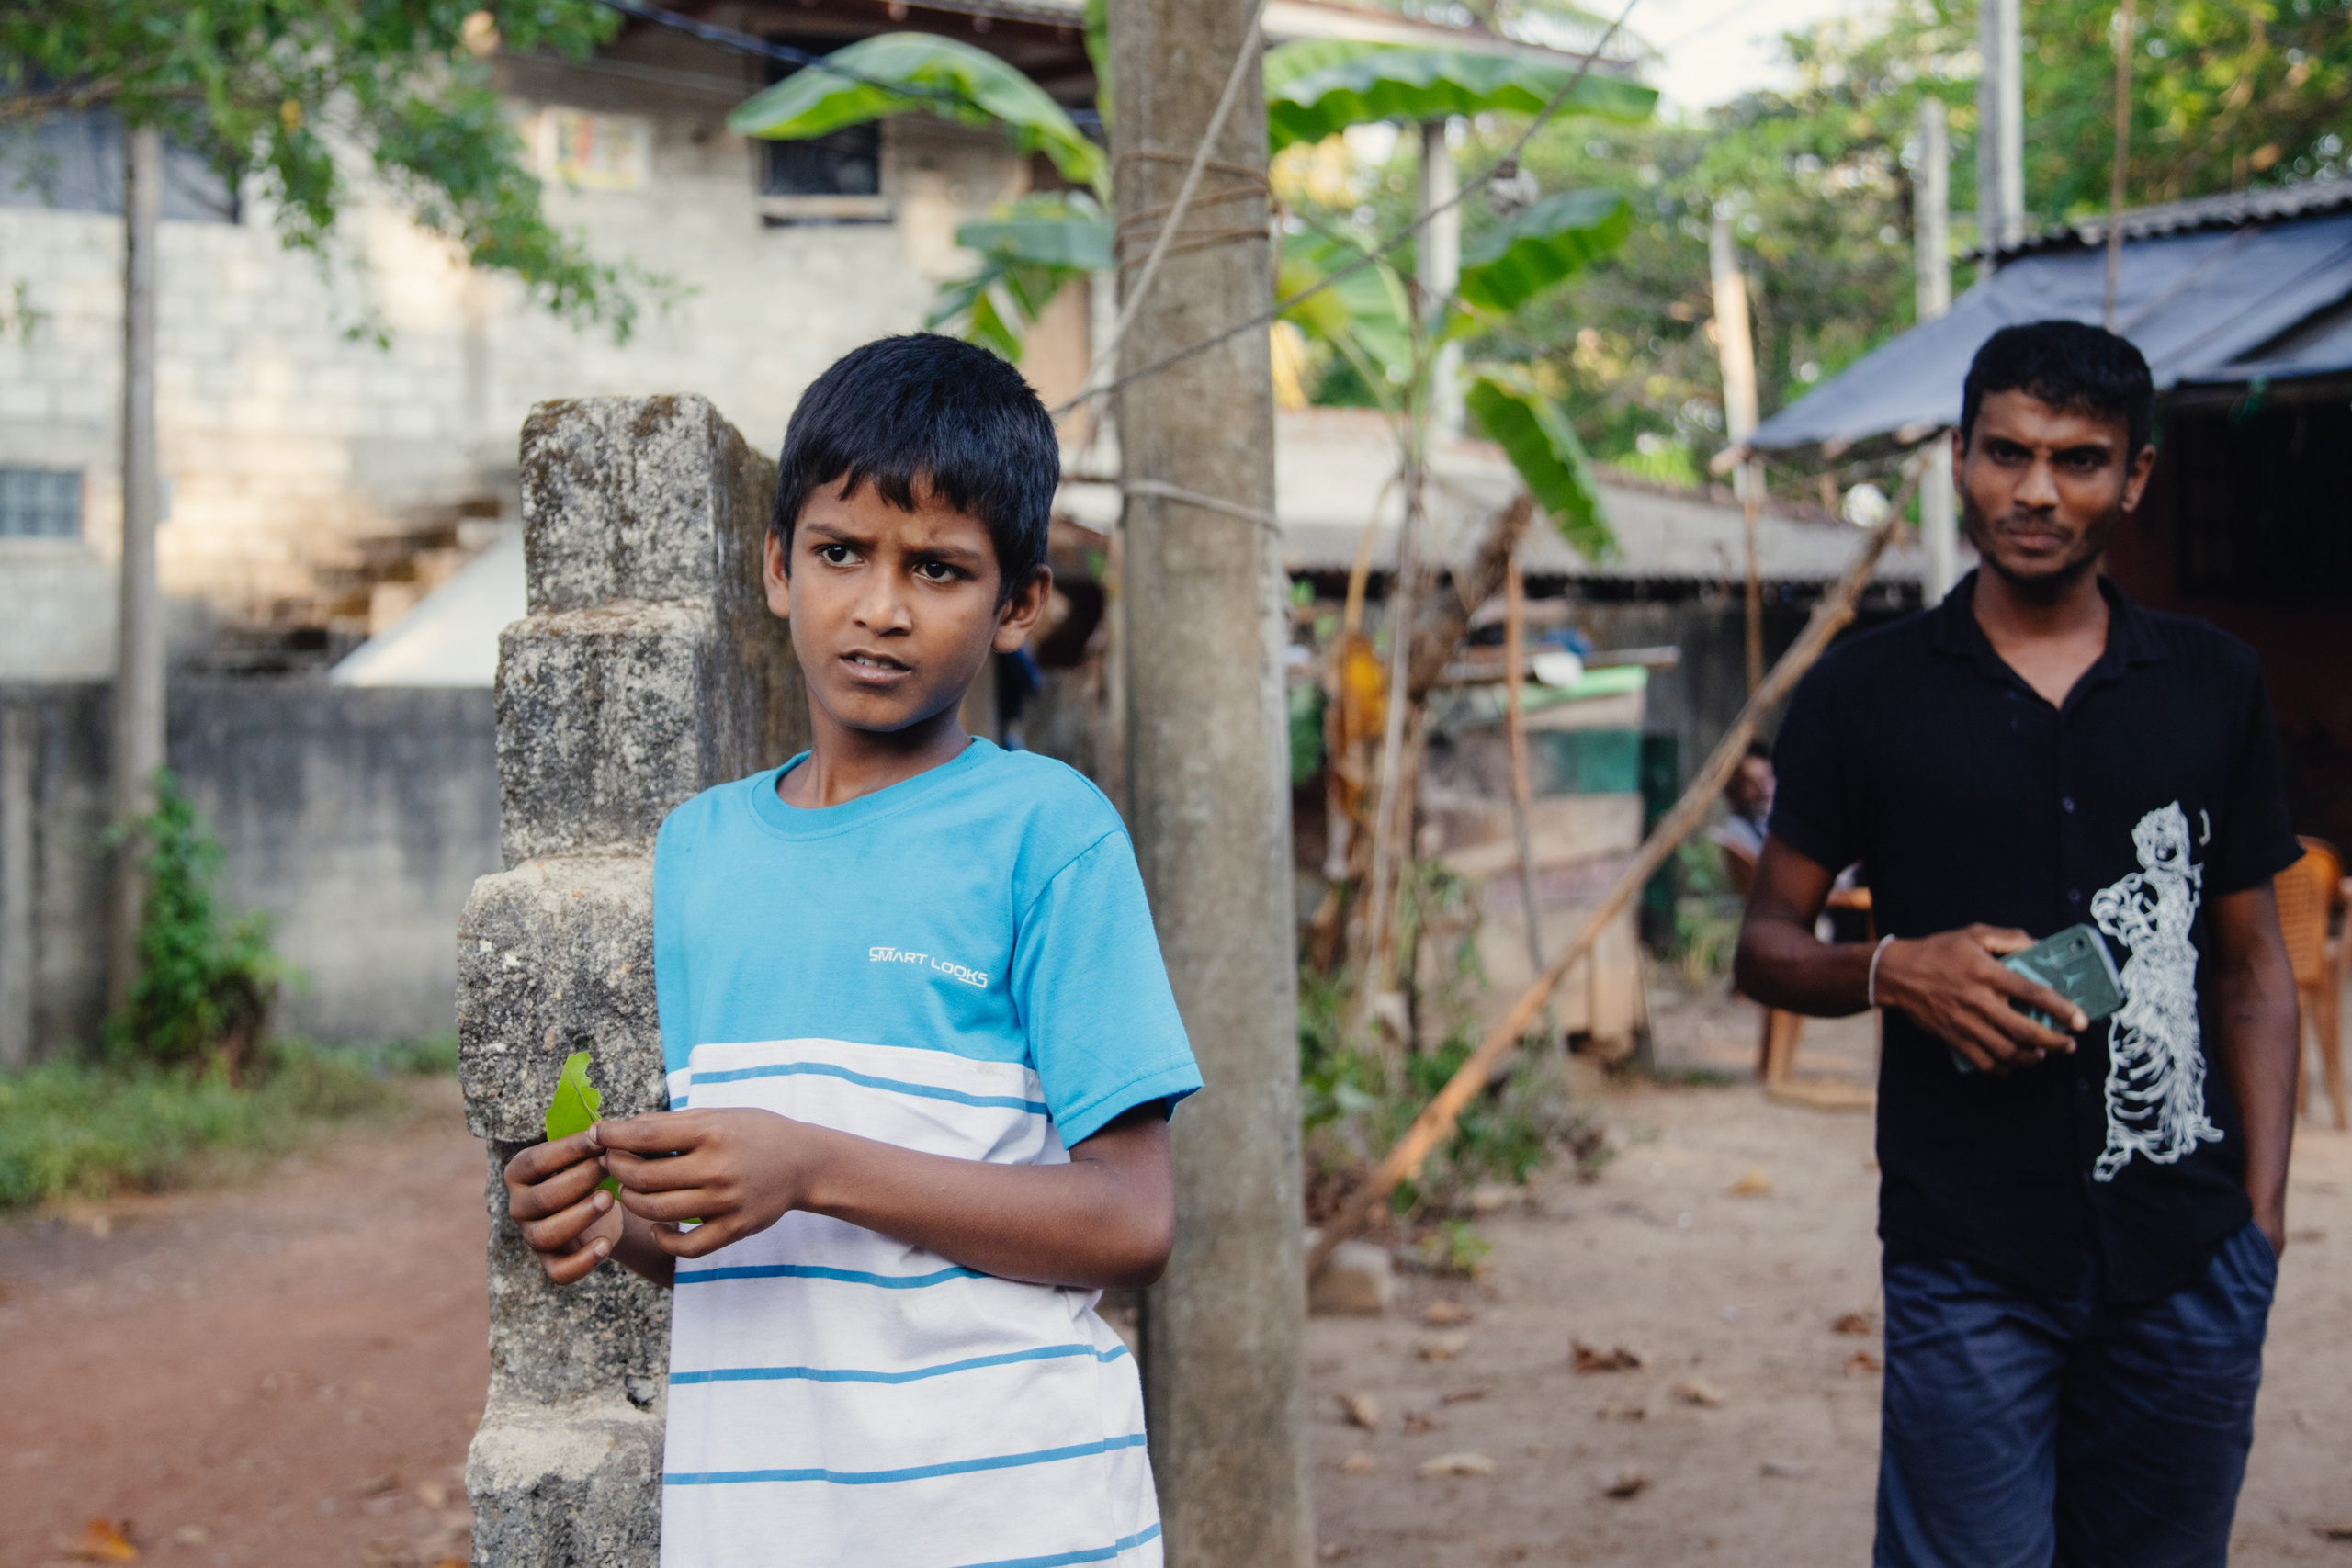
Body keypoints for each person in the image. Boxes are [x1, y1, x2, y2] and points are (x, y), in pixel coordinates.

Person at [500, 334, 1200, 1568]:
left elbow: (1130, 1222)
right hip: (767, 1526)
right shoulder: (699, 854)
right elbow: (732, 1224)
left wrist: (813, 1164)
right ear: (776, 567)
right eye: (840, 552)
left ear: (1019, 604)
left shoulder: (1047, 834)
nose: (881, 606)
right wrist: (618, 1218)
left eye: (937, 568)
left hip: (1016, 1525)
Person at [1734, 321, 2301, 1568]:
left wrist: (2257, 1226)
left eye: (2081, 460)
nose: (2037, 489)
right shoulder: (1863, 695)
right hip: (1968, 1260)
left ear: (2135, 477)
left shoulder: (2214, 685)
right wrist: (1897, 969)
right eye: (2008, 452)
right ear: (1958, 456)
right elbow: (1764, 945)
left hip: (2188, 1258)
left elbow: (2256, 968)